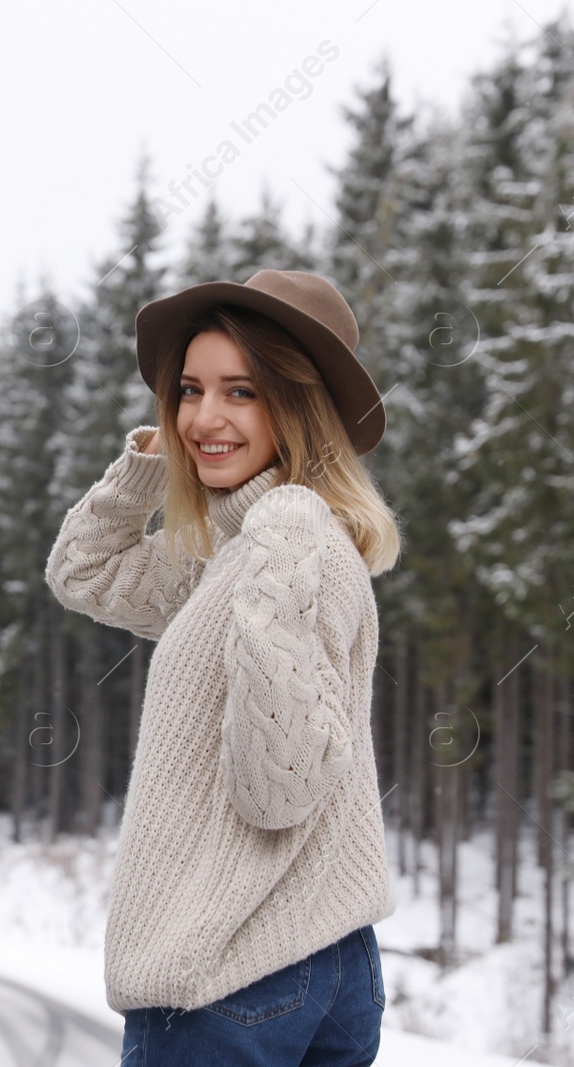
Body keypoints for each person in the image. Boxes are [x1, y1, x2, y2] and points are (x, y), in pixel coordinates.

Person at [43, 269, 403, 1066]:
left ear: (301, 406)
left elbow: (277, 792)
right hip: (326, 957)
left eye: (241, 391)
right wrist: (149, 460)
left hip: (233, 972)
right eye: (188, 389)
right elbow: (83, 571)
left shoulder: (287, 537)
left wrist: (277, 531)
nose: (203, 417)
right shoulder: (243, 555)